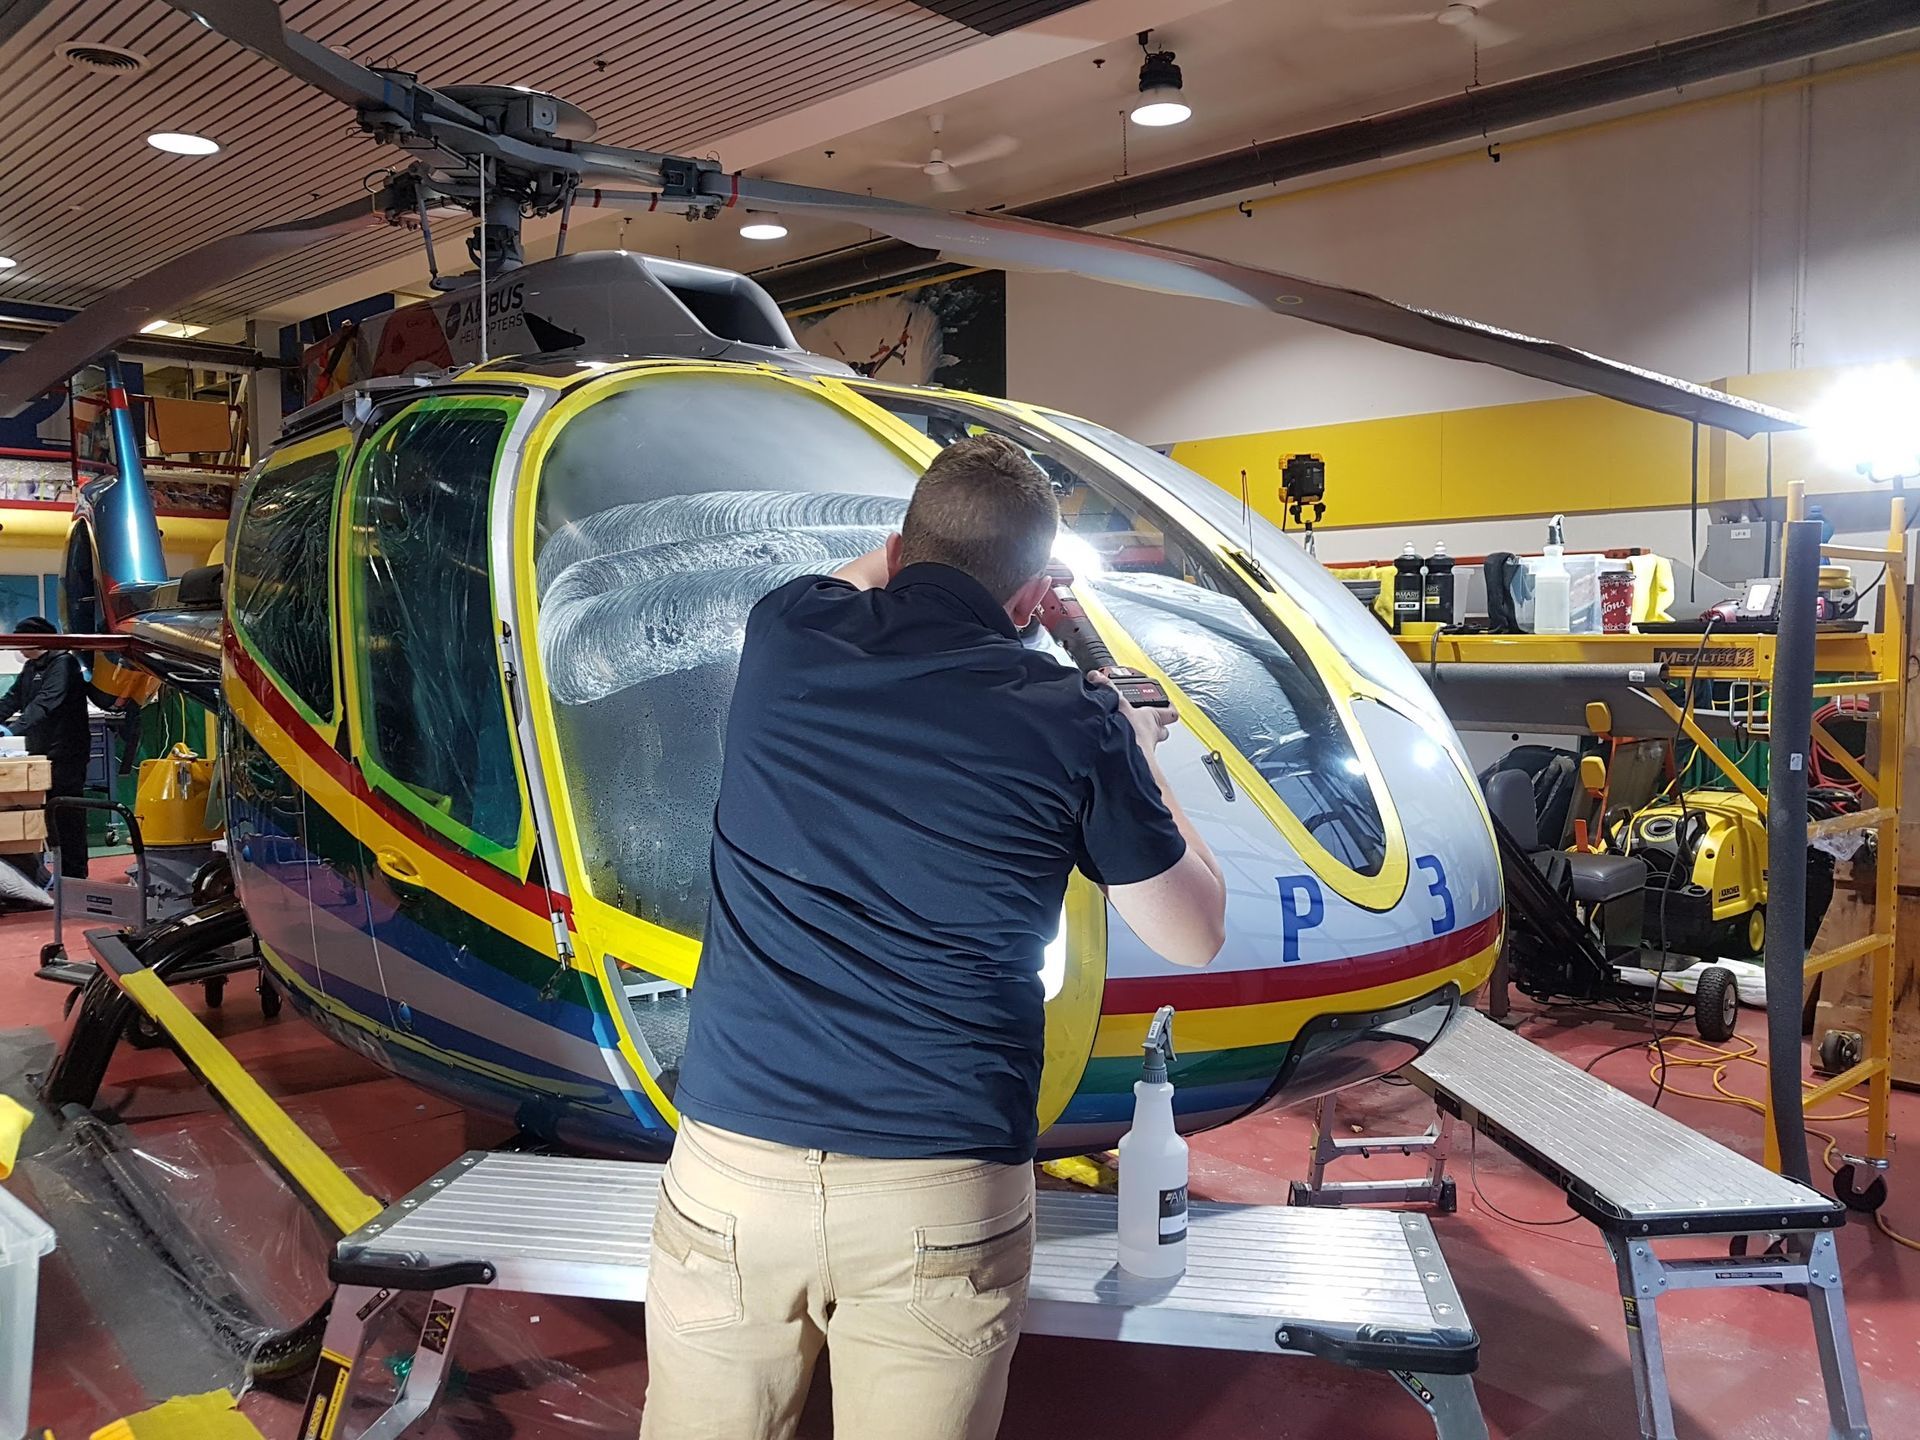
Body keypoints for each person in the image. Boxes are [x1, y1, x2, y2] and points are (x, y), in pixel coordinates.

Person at [643, 435, 1228, 1440]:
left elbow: (874, 571)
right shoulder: (1073, 719)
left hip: (734, 1169)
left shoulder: (789, 630)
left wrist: (922, 554)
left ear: (899, 545)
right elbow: (1193, 933)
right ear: (1036, 594)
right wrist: (1135, 748)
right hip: (940, 1190)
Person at [0, 617, 92, 878]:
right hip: (39, 754)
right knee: (39, 817)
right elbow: (12, 700)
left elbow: (45, 702)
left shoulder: (64, 664)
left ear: (35, 640)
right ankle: (40, 876)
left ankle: (75, 878)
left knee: (66, 816)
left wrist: (12, 730)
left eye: (21, 643)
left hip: (65, 754)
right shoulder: (31, 668)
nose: (18, 650)